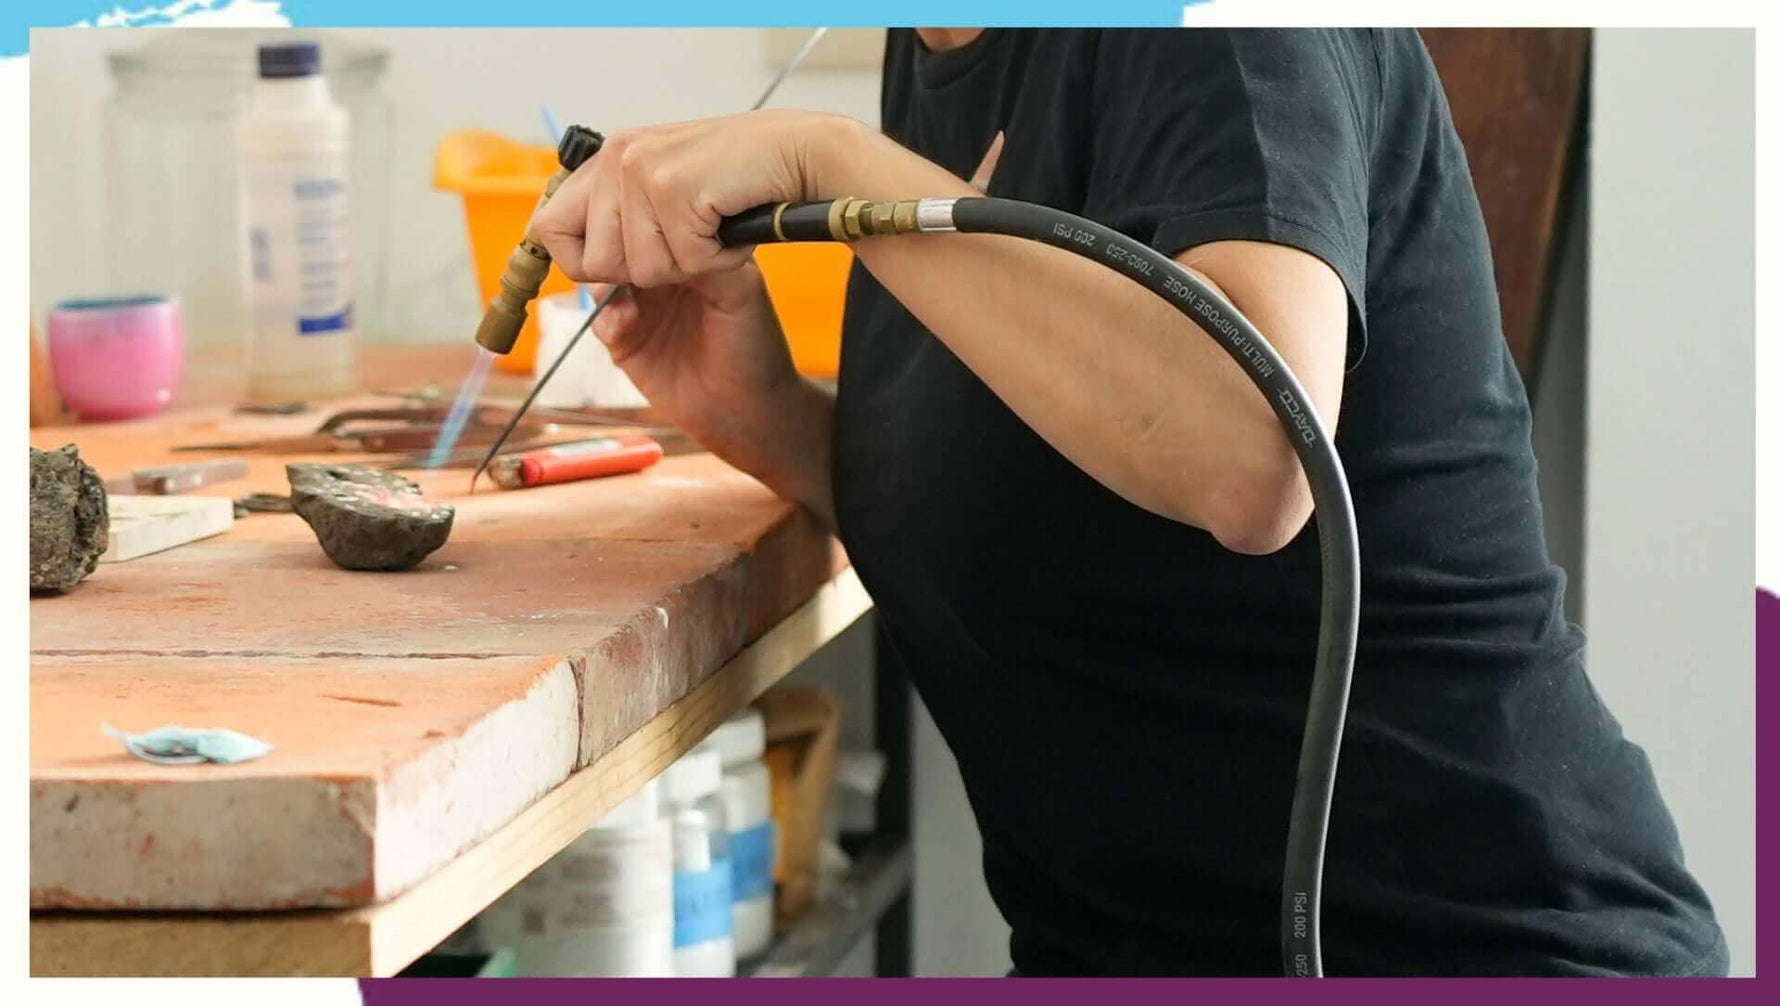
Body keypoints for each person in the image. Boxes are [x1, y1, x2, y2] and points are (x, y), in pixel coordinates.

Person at [531, 28, 1727, 977]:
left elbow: (1255, 452)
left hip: (1452, 951)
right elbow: (1051, 487)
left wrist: (831, 165)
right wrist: (770, 418)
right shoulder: (948, 50)